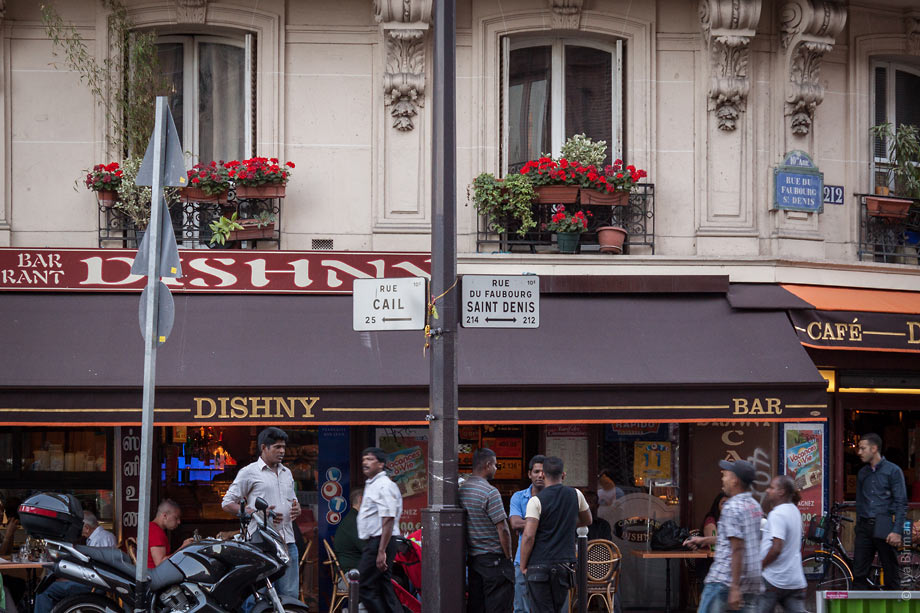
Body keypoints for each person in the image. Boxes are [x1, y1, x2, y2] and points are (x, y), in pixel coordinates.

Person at [222, 426, 301, 598]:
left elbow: (293, 500)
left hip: (287, 543)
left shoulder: (287, 473)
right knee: (260, 596)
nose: (282, 451)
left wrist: (297, 508)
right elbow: (227, 503)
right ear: (264, 447)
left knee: (290, 596)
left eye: (284, 447)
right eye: (277, 447)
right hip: (260, 544)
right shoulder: (249, 472)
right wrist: (254, 513)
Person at [684, 460, 763, 613]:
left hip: (724, 581)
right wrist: (705, 540)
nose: (723, 478)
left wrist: (735, 587)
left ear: (735, 480)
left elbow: (738, 548)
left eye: (726, 475)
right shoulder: (755, 506)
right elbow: (739, 540)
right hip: (751, 582)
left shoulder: (731, 507)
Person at [519, 456, 592, 613]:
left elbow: (528, 536)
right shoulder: (576, 494)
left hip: (538, 565)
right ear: (563, 475)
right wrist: (568, 523)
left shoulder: (535, 501)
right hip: (564, 565)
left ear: (543, 475)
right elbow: (588, 519)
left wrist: (523, 565)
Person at [459, 448, 514, 613]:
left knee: (477, 606)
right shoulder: (490, 492)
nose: (496, 469)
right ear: (488, 465)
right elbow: (503, 528)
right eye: (495, 465)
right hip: (494, 559)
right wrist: (508, 557)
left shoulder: (462, 490)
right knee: (499, 606)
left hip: (474, 560)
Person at [853, 432, 907, 590]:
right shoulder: (862, 473)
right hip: (864, 526)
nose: (859, 452)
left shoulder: (893, 471)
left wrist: (897, 530)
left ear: (874, 448)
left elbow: (901, 503)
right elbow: (860, 502)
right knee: (858, 574)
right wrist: (859, 527)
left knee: (891, 573)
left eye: (863, 448)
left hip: (884, 525)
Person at [34, 512, 117, 613]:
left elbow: (96, 567)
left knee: (45, 591)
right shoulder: (102, 536)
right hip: (95, 581)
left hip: (94, 585)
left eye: (79, 527)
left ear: (86, 527)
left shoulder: (100, 539)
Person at [356, 447, 403, 613]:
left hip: (380, 541)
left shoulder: (383, 485)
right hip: (378, 541)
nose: (365, 463)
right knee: (382, 585)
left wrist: (381, 550)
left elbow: (388, 517)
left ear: (381, 464)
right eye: (364, 459)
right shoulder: (373, 484)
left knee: (364, 585)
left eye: (370, 459)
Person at [759, 475, 807, 613]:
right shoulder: (794, 511)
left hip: (774, 580)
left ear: (781, 492)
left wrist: (760, 566)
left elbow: (777, 548)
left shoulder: (778, 514)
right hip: (794, 580)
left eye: (772, 488)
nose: (768, 490)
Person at [509, 455, 545, 613]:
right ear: (529, 474)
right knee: (521, 608)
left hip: (547, 560)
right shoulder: (518, 497)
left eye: (543, 472)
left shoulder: (552, 497)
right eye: (536, 471)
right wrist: (542, 524)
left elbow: (521, 524)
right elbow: (515, 523)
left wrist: (528, 524)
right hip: (521, 559)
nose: (540, 475)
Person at [147, 499, 193, 568]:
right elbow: (160, 564)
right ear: (165, 516)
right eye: (176, 518)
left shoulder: (151, 527)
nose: (179, 522)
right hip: (154, 576)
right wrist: (183, 548)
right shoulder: (156, 532)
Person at [335, 487, 366, 575]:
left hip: (353, 569)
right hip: (353, 573)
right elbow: (366, 548)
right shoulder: (355, 521)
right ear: (361, 499)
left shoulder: (352, 518)